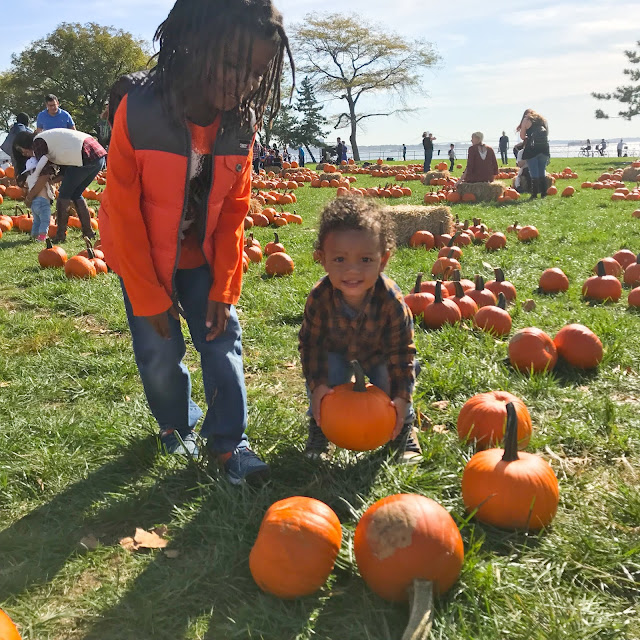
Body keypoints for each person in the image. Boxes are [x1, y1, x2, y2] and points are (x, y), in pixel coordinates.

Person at [97, 0, 293, 484]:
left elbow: (233, 212)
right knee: (158, 349)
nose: (244, 83)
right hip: (143, 256)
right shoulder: (138, 110)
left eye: (257, 73)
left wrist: (225, 287)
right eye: (232, 65)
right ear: (194, 46)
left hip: (201, 255)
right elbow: (121, 210)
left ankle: (230, 443)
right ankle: (175, 423)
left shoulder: (239, 126)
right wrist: (147, 296)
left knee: (221, 336)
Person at [298, 196, 421, 465]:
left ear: (383, 260)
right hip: (336, 354)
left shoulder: (391, 301)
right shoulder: (320, 297)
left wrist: (401, 397)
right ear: (322, 259)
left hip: (381, 356)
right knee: (325, 383)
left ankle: (403, 431)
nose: (352, 270)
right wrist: (317, 385)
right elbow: (311, 346)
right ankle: (319, 427)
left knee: (393, 383)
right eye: (339, 259)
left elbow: (402, 352)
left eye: (365, 259)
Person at [12, 128, 106, 240]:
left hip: (85, 154)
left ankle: (60, 235)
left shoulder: (38, 142)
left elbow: (44, 175)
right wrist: (51, 181)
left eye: (21, 149)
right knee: (75, 193)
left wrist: (30, 197)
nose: (23, 154)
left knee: (64, 195)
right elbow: (63, 172)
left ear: (25, 143)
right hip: (97, 155)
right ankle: (88, 232)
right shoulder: (50, 141)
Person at [19, 156, 56, 241]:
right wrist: (46, 156)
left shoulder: (29, 178)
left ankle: (34, 235)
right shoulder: (36, 174)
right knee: (45, 221)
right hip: (42, 202)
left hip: (34, 203)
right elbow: (40, 165)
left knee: (36, 221)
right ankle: (42, 237)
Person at [517, 109, 549, 199]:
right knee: (542, 171)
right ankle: (544, 193)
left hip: (532, 149)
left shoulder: (526, 120)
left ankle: (534, 194)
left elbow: (522, 136)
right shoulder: (543, 120)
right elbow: (547, 133)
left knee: (533, 172)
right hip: (544, 149)